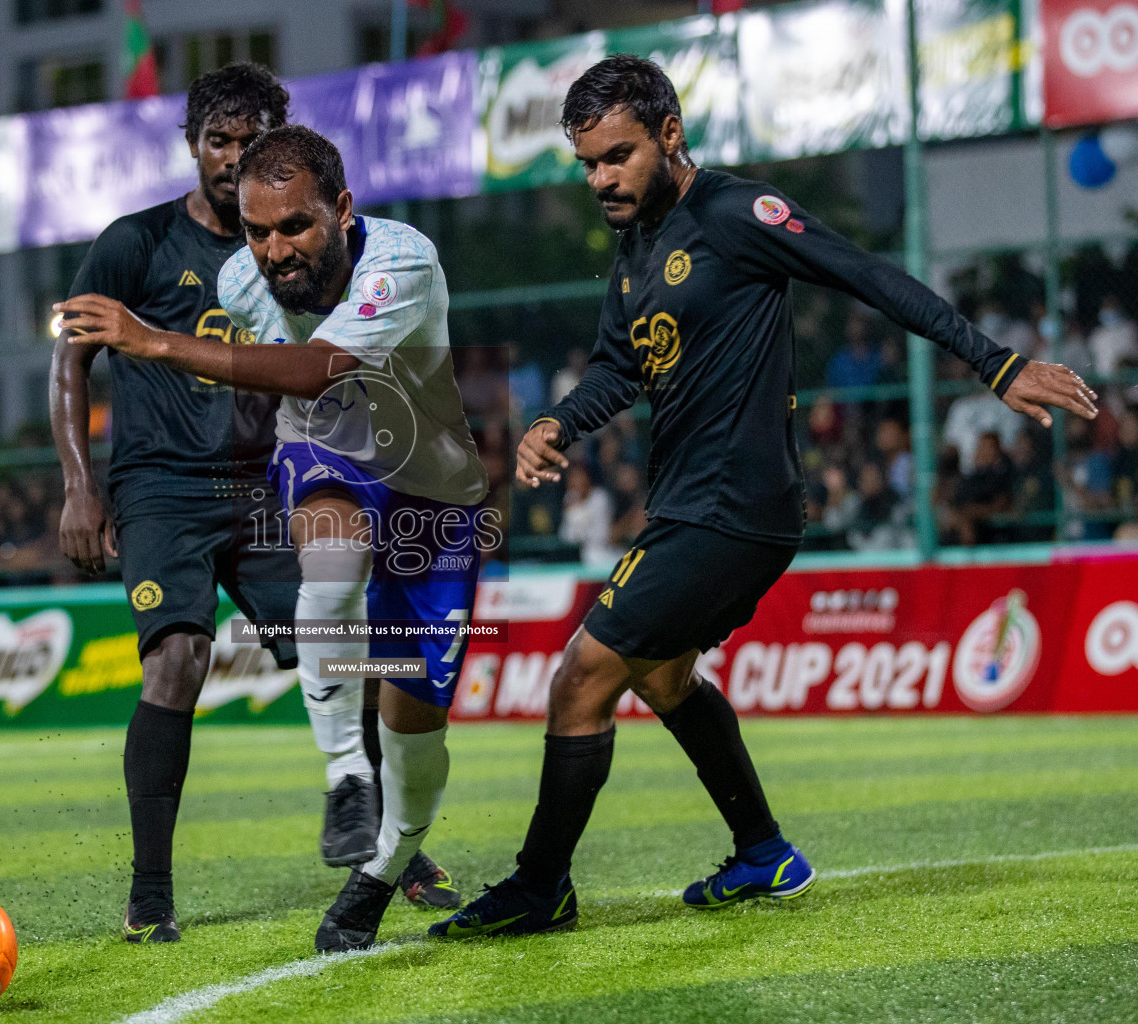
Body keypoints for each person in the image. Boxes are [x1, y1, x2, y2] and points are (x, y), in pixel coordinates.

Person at [431, 54, 1099, 940]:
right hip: (691, 506)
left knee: (580, 679)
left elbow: (868, 275)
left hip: (733, 507)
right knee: (664, 676)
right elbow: (617, 367)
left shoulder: (736, 213)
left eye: (618, 156)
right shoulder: (634, 250)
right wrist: (557, 423)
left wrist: (995, 361)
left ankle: (538, 885)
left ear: (670, 134)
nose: (601, 179)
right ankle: (762, 852)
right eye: (588, 163)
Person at [55, 124, 489, 953]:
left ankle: (392, 855)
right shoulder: (238, 279)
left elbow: (319, 364)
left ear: (343, 210)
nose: (274, 250)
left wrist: (153, 340)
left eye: (294, 227)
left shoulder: (402, 259)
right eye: (258, 232)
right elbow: (277, 389)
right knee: (324, 566)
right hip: (323, 456)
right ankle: (344, 780)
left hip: (432, 490)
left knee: (413, 718)